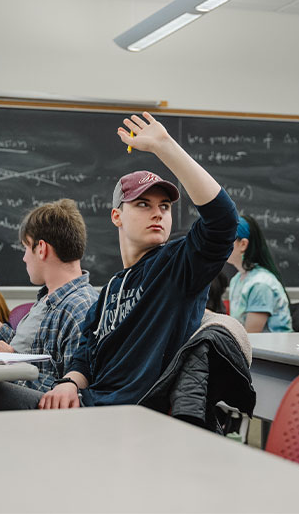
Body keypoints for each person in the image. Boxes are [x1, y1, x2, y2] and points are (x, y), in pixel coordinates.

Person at [34, 111, 238, 409]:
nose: (158, 213)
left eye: (165, 206)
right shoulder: (108, 292)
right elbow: (85, 359)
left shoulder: (177, 266)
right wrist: (68, 383)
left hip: (128, 417)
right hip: (86, 404)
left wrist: (165, 146)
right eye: (143, 204)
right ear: (117, 216)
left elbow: (223, 220)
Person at [0, 199, 98, 392]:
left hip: (36, 413)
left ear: (42, 249)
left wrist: (12, 363)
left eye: (26, 248)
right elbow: (24, 350)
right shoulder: (48, 298)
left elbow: (70, 393)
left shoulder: (80, 308)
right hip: (16, 390)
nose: (24, 257)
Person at [225, 215, 292, 333]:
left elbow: (251, 336)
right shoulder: (236, 280)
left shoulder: (260, 285)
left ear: (243, 244)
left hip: (272, 349)